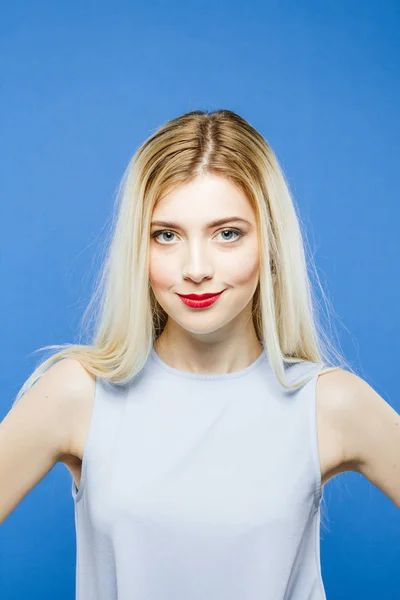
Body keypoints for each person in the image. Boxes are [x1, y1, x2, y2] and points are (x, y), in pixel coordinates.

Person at [1, 109, 399, 599]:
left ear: (269, 242)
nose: (195, 268)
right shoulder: (78, 395)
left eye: (227, 233)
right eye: (166, 235)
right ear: (138, 248)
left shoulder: (327, 403)